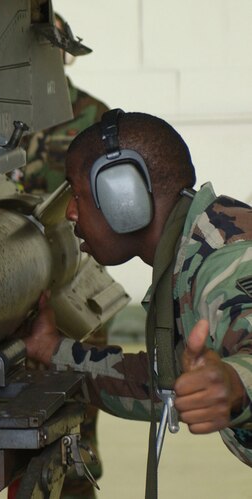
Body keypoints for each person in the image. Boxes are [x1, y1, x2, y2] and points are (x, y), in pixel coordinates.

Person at [24, 109, 252, 496]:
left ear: (122, 196)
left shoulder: (225, 261)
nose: (70, 213)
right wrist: (51, 351)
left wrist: (235, 382)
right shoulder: (187, 250)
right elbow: (161, 384)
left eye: (76, 193)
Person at [14, 13, 110, 499]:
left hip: (73, 288)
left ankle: (76, 484)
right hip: (6, 289)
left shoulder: (95, 119)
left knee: (74, 416)